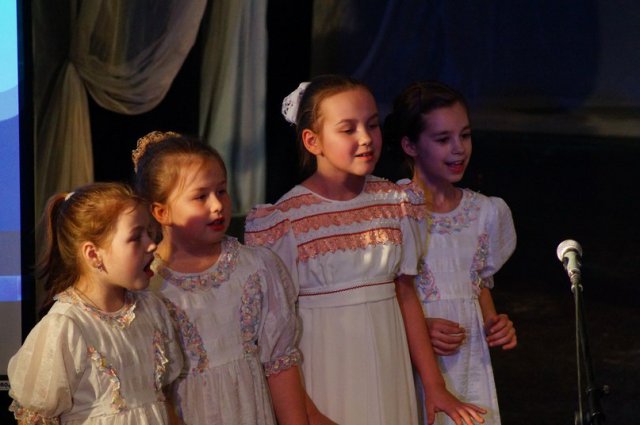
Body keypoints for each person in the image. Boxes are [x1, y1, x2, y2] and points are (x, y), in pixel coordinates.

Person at [245, 74, 486, 425]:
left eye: (372, 125)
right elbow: (275, 336)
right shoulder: (286, 220)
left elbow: (406, 295)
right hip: (327, 376)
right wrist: (308, 413)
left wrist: (434, 385)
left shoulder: (396, 203)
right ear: (313, 141)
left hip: (390, 371)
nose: (365, 138)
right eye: (348, 129)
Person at [132, 131, 319, 425]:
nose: (217, 205)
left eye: (221, 191)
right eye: (200, 197)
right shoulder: (147, 285)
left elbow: (280, 365)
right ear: (161, 212)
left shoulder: (257, 267)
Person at [386, 80, 518, 424]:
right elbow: (382, 293)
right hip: (410, 363)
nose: (459, 149)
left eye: (465, 135)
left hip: (469, 362)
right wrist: (418, 328)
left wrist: (494, 323)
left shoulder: (485, 212)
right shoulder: (392, 210)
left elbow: (477, 282)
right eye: (443, 139)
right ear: (410, 145)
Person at [7, 182, 183, 424]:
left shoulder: (152, 309)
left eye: (150, 234)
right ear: (93, 254)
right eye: (136, 237)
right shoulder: (66, 326)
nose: (152, 245)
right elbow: (36, 417)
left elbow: (164, 399)